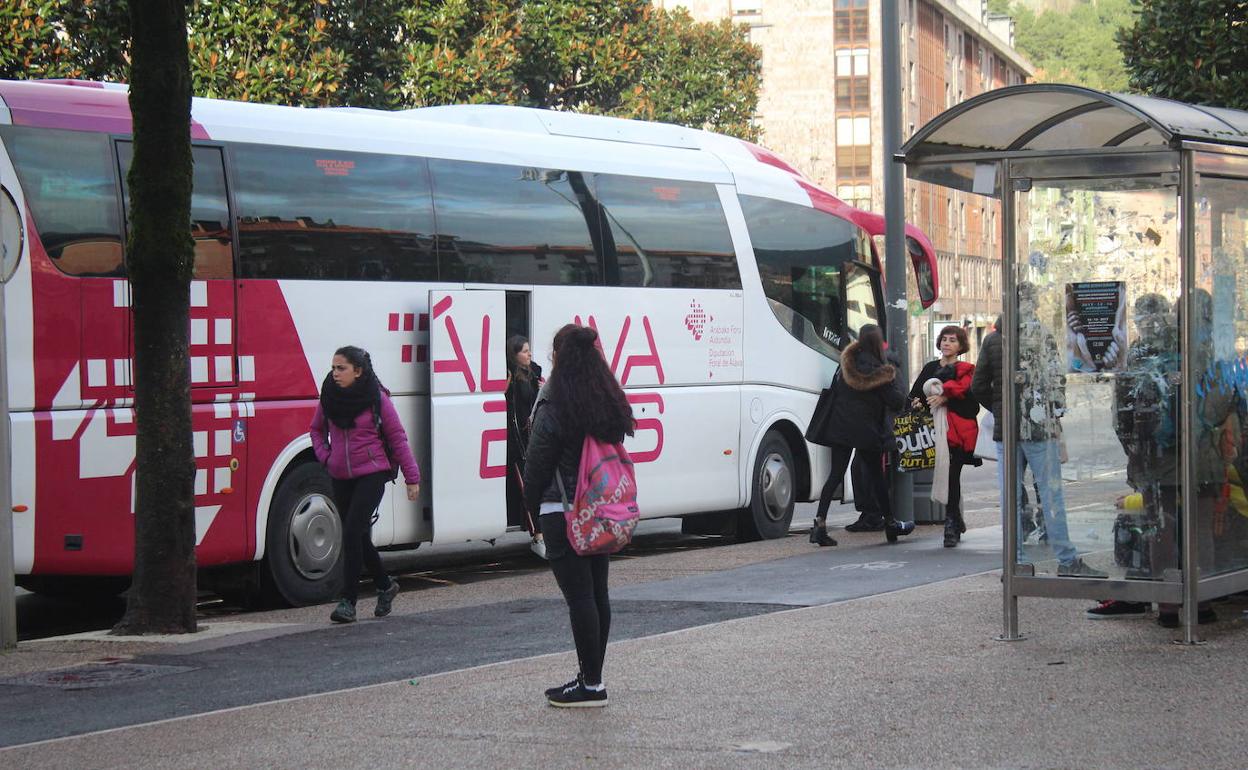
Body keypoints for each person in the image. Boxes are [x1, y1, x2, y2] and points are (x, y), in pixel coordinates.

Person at [524, 324, 636, 708]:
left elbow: (537, 463)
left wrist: (530, 505)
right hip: (599, 509)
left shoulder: (555, 399)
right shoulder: (604, 396)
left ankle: (591, 685)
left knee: (579, 598)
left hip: (563, 510)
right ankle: (593, 677)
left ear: (558, 356)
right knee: (597, 593)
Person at [310, 346, 421, 624]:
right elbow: (316, 430)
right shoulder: (329, 397)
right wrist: (326, 457)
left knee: (350, 533)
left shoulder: (377, 398)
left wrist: (412, 478)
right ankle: (385, 585)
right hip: (340, 474)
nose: (335, 374)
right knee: (357, 535)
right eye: (333, 367)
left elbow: (397, 438)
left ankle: (348, 601)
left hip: (372, 472)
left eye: (341, 368)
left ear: (358, 371)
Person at [1013, 282, 1105, 577]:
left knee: (1013, 498)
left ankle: (1016, 560)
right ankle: (1066, 560)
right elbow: (1055, 382)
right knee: (1051, 495)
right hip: (1039, 426)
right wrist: (1057, 422)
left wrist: (1003, 413)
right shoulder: (1042, 335)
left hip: (1013, 427)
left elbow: (982, 384)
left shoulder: (999, 338)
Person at [809, 324, 913, 546]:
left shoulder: (847, 363)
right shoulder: (880, 370)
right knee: (876, 478)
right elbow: (895, 401)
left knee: (834, 475)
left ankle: (819, 525)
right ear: (878, 342)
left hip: (840, 428)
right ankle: (891, 524)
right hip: (866, 432)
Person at [910, 325, 979, 547]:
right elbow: (915, 394)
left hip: (956, 431)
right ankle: (956, 519)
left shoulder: (967, 370)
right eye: (944, 339)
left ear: (961, 346)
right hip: (933, 431)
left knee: (951, 475)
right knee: (946, 475)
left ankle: (950, 525)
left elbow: (973, 404)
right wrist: (917, 401)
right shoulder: (931, 367)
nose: (947, 343)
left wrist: (947, 399)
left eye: (952, 340)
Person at [505, 335, 546, 559]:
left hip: (533, 436)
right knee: (527, 487)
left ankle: (542, 532)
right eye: (524, 351)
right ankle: (537, 534)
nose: (529, 354)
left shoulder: (534, 374)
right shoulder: (511, 375)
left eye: (529, 350)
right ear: (514, 354)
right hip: (519, 440)